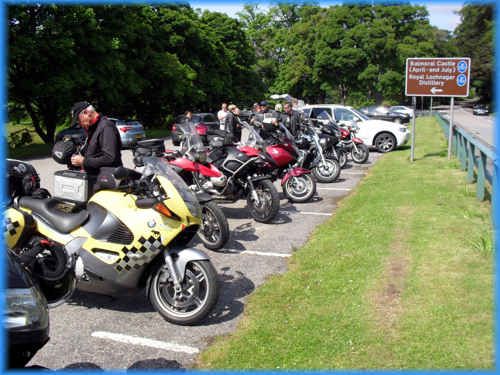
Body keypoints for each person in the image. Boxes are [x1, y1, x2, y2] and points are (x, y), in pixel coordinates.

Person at [69, 101, 123, 175]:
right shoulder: (93, 128)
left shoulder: (106, 127)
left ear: (85, 112)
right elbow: (93, 154)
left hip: (109, 179)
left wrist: (84, 161)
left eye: (79, 120)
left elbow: (110, 158)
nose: (80, 124)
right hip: (96, 177)